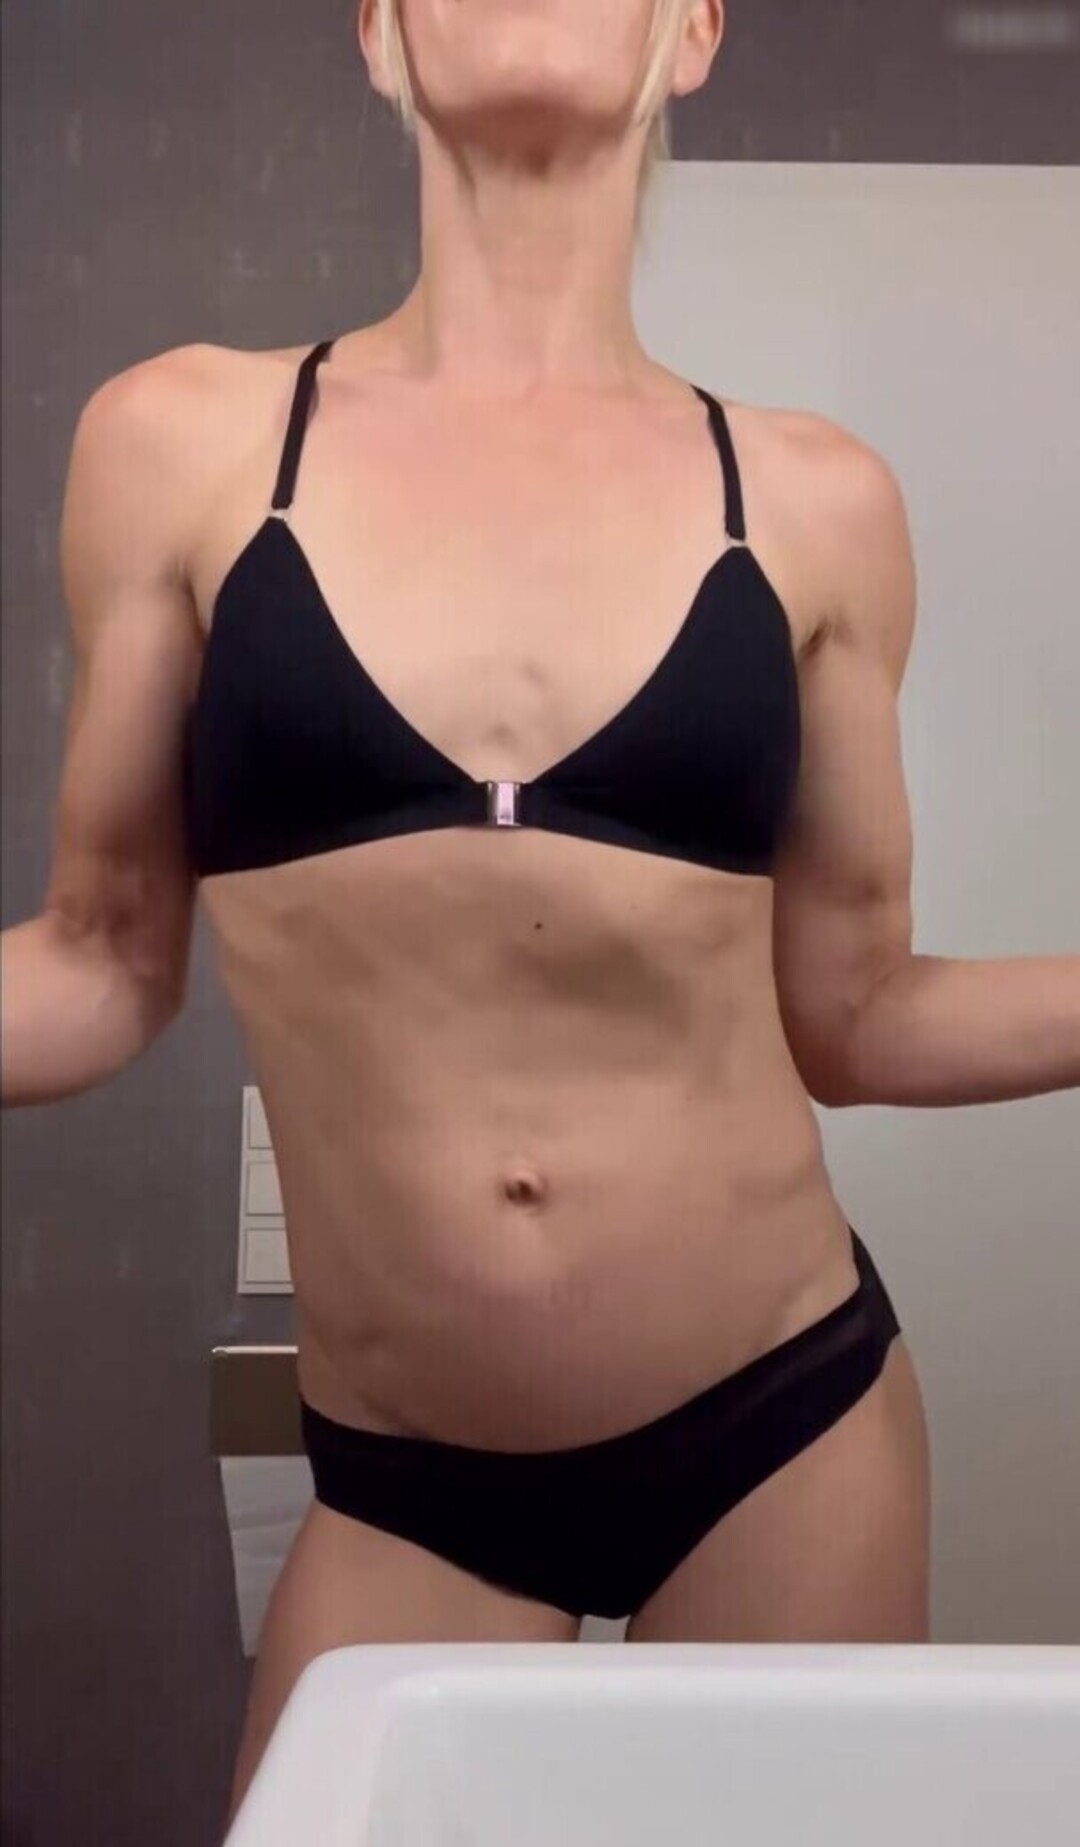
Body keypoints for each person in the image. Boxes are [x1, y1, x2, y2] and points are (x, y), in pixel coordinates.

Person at [2, 0, 1078, 1830]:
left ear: (693, 34)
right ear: (377, 35)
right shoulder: (182, 443)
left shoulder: (813, 500)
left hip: (780, 1434)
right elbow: (100, 961)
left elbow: (859, 1014)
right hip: (409, 1485)